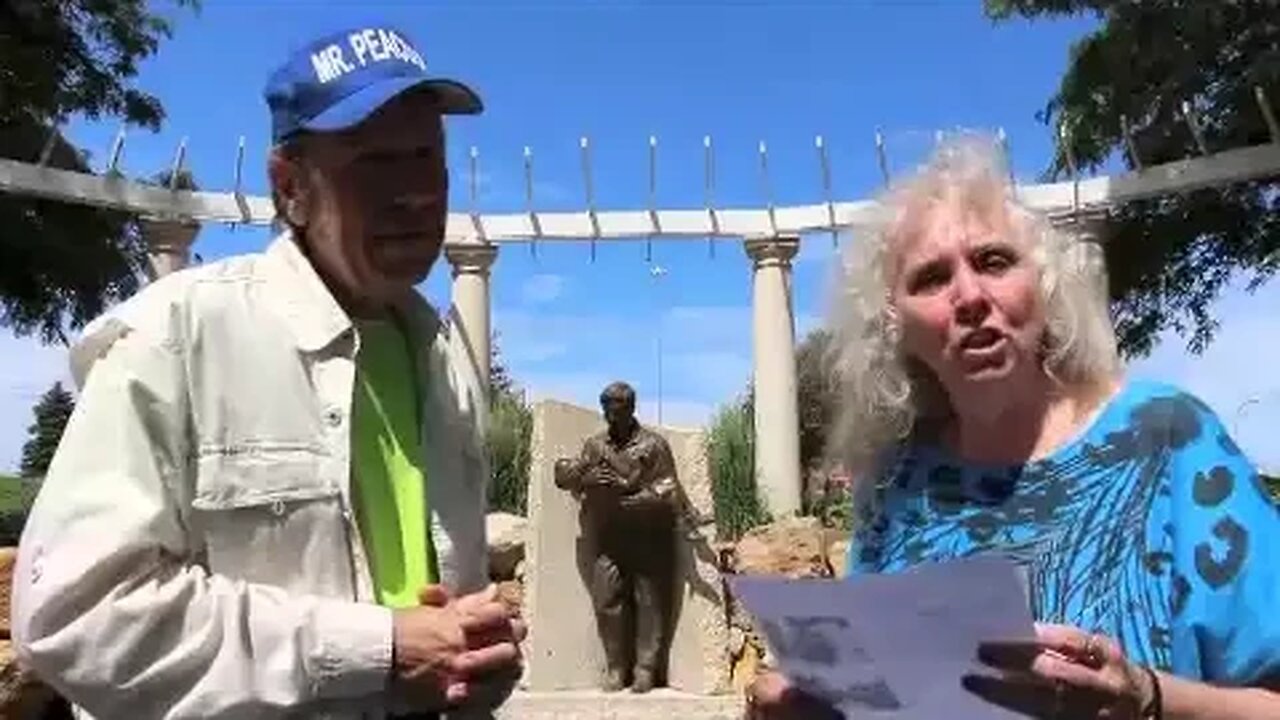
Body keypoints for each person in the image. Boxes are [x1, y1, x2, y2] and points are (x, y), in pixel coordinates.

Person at [12, 24, 524, 720]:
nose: (414, 193)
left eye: (426, 158)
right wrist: (379, 648)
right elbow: (76, 616)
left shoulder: (447, 364)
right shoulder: (176, 339)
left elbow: (435, 626)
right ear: (291, 189)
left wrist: (472, 658)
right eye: (375, 163)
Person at [747, 134, 1280, 719]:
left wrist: (1148, 698)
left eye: (994, 261)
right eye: (931, 278)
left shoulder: (1168, 439)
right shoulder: (898, 486)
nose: (970, 296)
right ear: (893, 325)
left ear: (1044, 286)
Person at [553, 381, 691, 693]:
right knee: (607, 600)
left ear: (630, 409)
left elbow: (669, 489)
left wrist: (635, 497)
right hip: (610, 535)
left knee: (650, 602)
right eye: (607, 412)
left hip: (648, 536)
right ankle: (616, 667)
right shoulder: (596, 445)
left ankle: (645, 669)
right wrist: (587, 478)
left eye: (617, 412)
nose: (611, 419)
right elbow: (564, 477)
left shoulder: (653, 445)